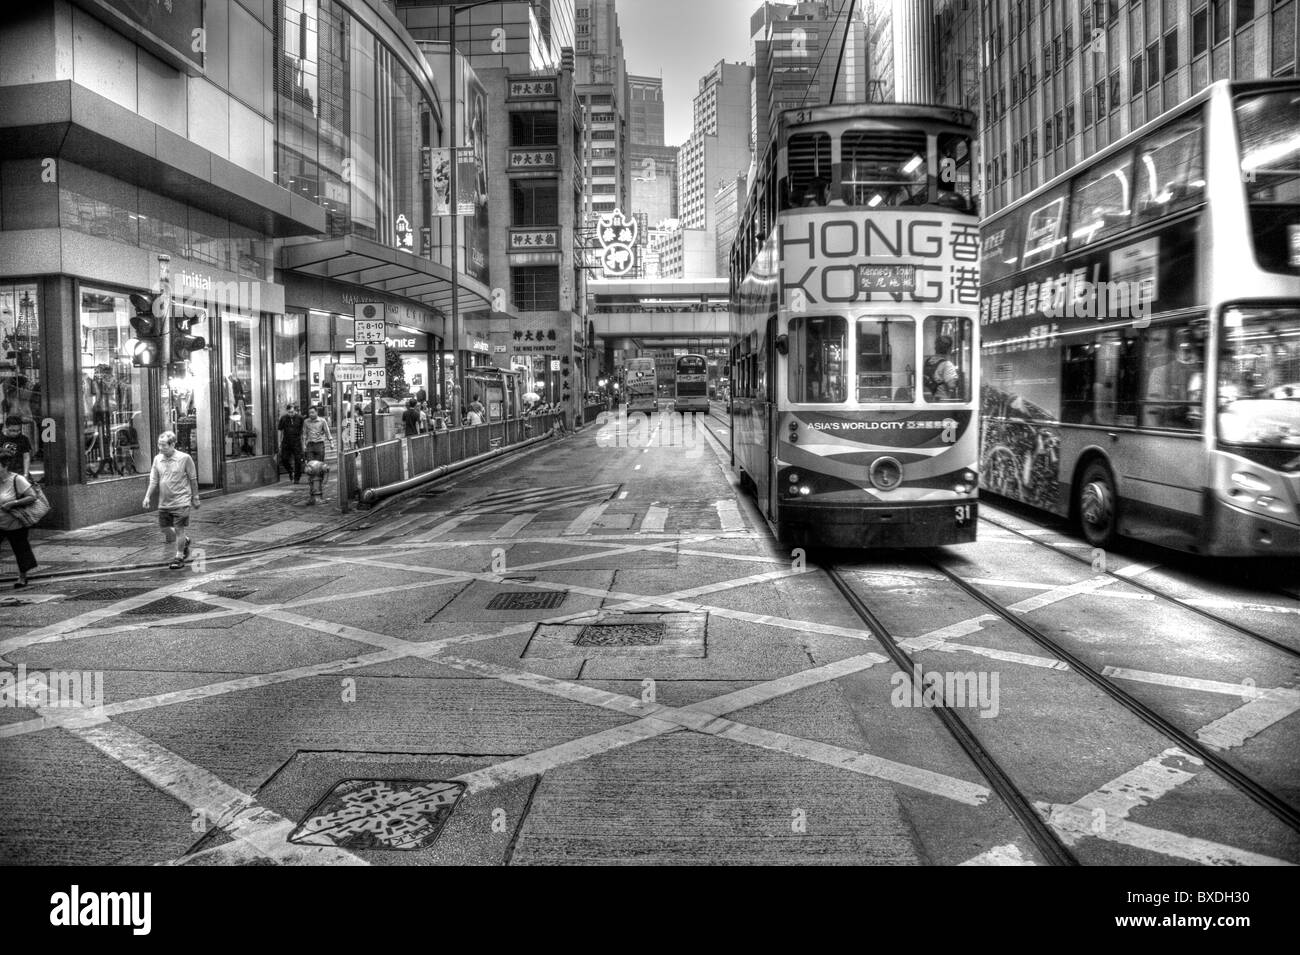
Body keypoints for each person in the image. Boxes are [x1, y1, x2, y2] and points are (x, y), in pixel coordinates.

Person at [143, 430, 199, 570]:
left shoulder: (185, 458)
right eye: (159, 445)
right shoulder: (157, 459)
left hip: (181, 500)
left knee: (179, 529)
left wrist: (195, 497)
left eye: (164, 445)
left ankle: (179, 557)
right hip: (164, 502)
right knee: (165, 528)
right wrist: (147, 496)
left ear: (173, 444)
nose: (161, 448)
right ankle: (185, 541)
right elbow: (154, 479)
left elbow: (193, 479)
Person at [0, 450, 39, 587]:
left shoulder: (17, 479)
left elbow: (32, 496)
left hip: (15, 523)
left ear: (4, 466)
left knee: (21, 550)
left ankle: (23, 577)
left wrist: (13, 503)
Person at [923, 335, 961, 400]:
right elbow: (952, 385)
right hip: (942, 402)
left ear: (935, 348)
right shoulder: (947, 364)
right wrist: (959, 379)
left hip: (928, 401)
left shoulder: (927, 361)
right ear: (949, 349)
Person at [276, 402, 305, 483]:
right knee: (284, 459)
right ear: (287, 411)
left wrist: (303, 443)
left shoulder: (300, 418)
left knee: (298, 460)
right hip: (286, 441)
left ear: (295, 411)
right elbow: (280, 430)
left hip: (297, 441)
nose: (290, 414)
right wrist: (279, 441)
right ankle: (290, 471)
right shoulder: (283, 418)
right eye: (289, 412)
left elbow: (303, 431)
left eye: (292, 412)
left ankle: (297, 478)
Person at [1, 416, 32, 480]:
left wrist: (26, 474)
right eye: (12, 430)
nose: (16, 433)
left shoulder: (23, 439)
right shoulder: (1, 438)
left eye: (18, 430)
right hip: (3, 472)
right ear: (6, 427)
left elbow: (26, 457)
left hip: (19, 472)